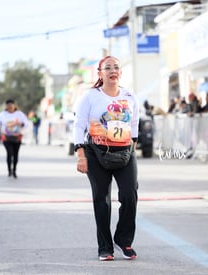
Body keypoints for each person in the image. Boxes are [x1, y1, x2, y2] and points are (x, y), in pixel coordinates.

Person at [73, 56, 139, 261]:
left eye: (116, 67)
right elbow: (78, 126)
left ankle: (124, 240)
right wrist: (81, 156)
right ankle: (105, 247)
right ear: (100, 73)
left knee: (129, 194)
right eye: (107, 67)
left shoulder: (129, 96)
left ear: (120, 73)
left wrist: (132, 150)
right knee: (102, 200)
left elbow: (134, 124)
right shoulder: (91, 96)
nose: (113, 70)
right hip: (96, 152)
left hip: (125, 151)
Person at [0, 99, 28, 178]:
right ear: (6, 107)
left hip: (17, 137)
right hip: (6, 137)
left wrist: (20, 123)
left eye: (11, 105)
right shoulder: (3, 114)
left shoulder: (19, 114)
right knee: (10, 153)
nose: (10, 107)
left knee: (15, 154)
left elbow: (25, 123)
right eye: (8, 106)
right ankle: (9, 170)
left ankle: (14, 171)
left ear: (14, 106)